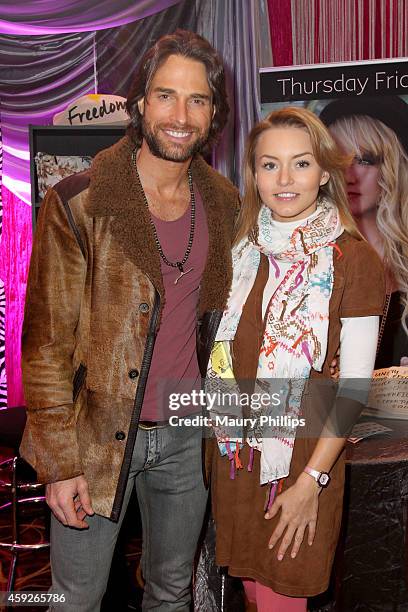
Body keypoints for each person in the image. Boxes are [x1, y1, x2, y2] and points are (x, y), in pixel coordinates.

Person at [20, 30, 239, 611]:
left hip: (186, 438)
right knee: (76, 600)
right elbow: (44, 347)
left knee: (171, 594)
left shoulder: (225, 202)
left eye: (197, 100)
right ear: (140, 104)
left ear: (213, 113)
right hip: (95, 439)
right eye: (166, 96)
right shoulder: (78, 202)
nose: (180, 115)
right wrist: (58, 465)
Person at [207, 107, 385, 611]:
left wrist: (312, 481)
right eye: (270, 165)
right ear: (253, 173)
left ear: (324, 173)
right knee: (254, 597)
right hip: (238, 458)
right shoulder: (241, 250)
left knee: (285, 599)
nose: (285, 180)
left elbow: (353, 389)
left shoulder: (354, 260)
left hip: (304, 462)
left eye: (300, 163)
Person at [320, 97, 408, 367]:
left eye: (365, 160)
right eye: (338, 160)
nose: (349, 175)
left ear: (394, 168)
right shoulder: (309, 261)